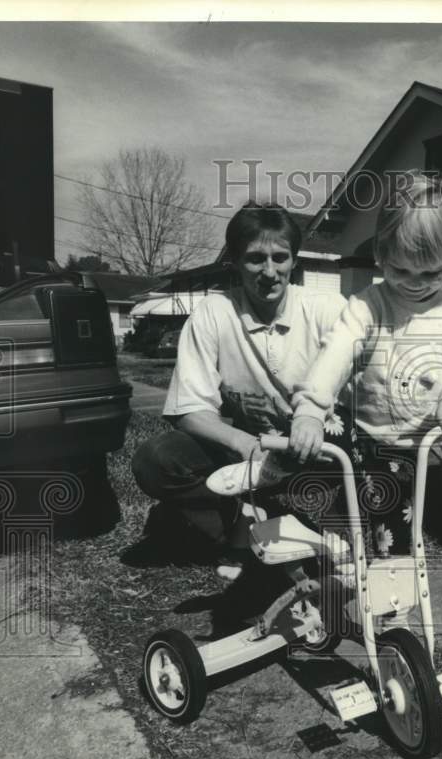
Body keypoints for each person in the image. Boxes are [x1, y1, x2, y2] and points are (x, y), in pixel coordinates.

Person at [287, 171, 442, 560]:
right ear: (382, 255)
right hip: (357, 429)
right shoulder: (368, 305)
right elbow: (337, 352)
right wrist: (311, 410)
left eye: (430, 273)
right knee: (310, 437)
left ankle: (392, 611)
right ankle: (299, 509)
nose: (414, 283)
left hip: (409, 448)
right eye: (401, 271)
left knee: (394, 531)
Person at [131, 202, 347, 562]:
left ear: (295, 261)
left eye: (280, 257)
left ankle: (300, 526)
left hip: (320, 450)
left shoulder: (328, 308)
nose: (269, 271)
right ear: (234, 262)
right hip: (251, 455)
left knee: (343, 545)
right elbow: (189, 410)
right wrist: (244, 443)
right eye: (255, 258)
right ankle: (240, 521)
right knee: (156, 459)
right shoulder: (214, 313)